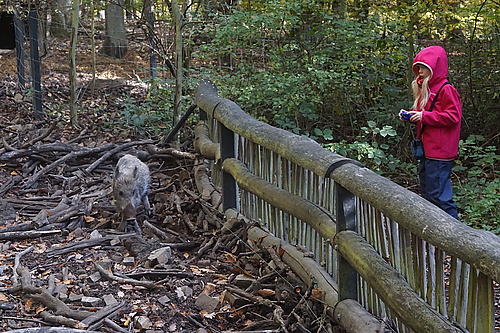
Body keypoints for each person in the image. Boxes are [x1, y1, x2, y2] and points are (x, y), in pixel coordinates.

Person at [399, 45, 462, 219]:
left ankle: (453, 236)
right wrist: (411, 116)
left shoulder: (446, 89)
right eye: (418, 67)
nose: (419, 71)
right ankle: (434, 239)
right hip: (428, 150)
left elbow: (452, 117)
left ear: (434, 68)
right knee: (428, 195)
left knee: (440, 198)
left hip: (440, 152)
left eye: (423, 67)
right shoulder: (426, 88)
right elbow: (430, 116)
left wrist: (424, 116)